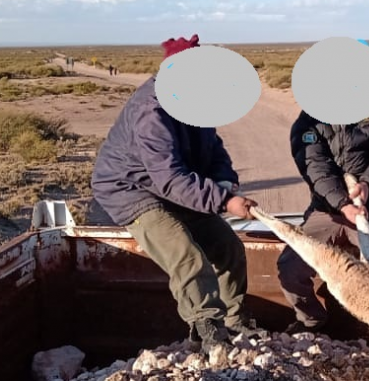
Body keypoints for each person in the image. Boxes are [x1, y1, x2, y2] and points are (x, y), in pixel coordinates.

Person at [90, 33, 262, 352]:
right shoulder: (150, 111)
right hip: (132, 188)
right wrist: (223, 201)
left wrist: (225, 180)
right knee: (186, 254)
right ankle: (207, 328)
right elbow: (168, 177)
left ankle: (236, 321)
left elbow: (214, 148)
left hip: (177, 185)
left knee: (229, 248)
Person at [279, 105, 369, 333]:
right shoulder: (307, 121)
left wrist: (367, 183)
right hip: (327, 206)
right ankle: (311, 320)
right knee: (290, 265)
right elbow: (316, 168)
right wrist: (343, 204)